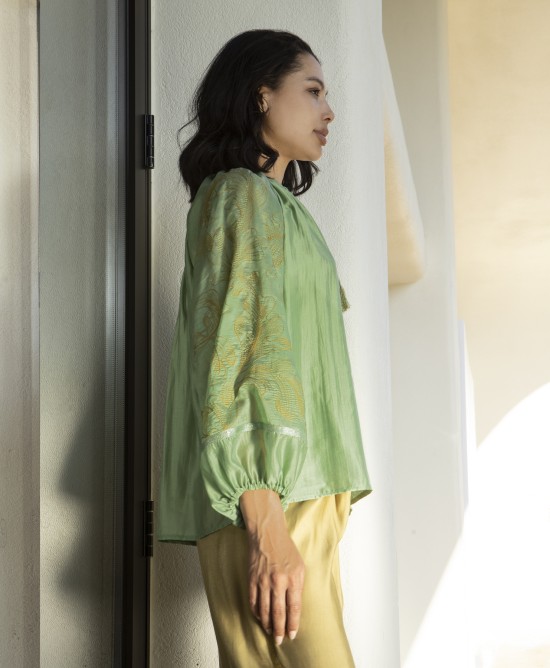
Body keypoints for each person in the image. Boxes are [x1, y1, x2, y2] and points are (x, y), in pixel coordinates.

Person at [157, 29, 372, 667]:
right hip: (273, 500)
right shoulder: (240, 196)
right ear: (261, 97)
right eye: (313, 91)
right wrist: (266, 518)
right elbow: (240, 348)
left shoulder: (278, 207)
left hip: (301, 495)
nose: (328, 111)